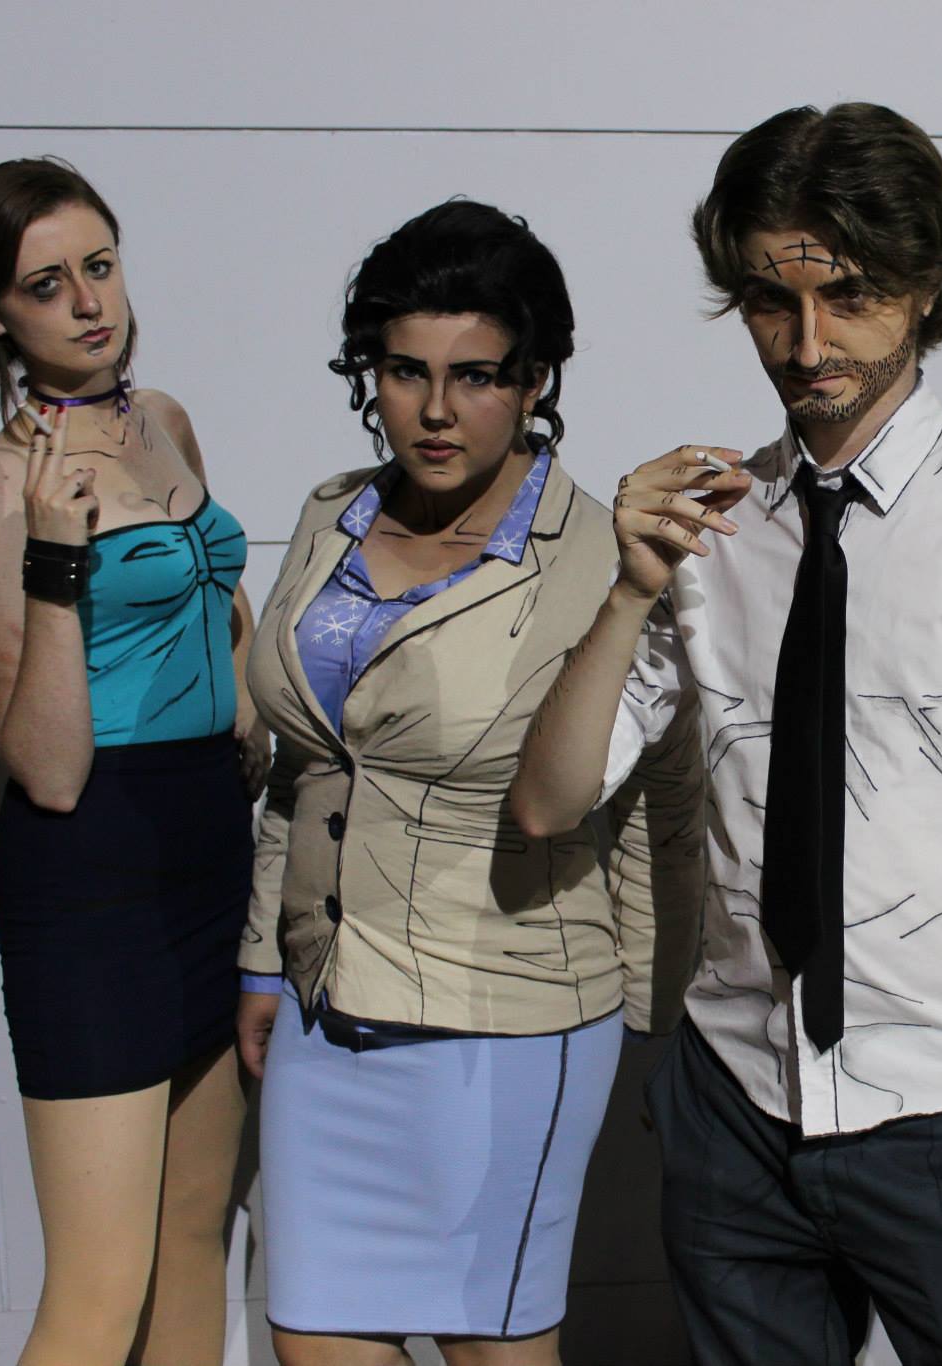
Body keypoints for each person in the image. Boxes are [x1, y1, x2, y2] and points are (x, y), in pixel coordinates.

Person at [510, 103, 942, 1366]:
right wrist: (625, 592)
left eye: (848, 294)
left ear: (927, 285)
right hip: (736, 1104)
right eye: (769, 301)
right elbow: (549, 805)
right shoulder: (710, 527)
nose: (807, 342)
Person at [235, 201, 704, 1366]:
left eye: (476, 375)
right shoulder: (329, 515)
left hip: (500, 1019)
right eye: (405, 370)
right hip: (323, 1003)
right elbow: (305, 765)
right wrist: (263, 955)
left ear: (535, 380)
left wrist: (666, 1012)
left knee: (487, 1348)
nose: (435, 410)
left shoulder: (600, 562)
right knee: (312, 1343)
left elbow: (661, 795)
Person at [0, 158, 262, 1366]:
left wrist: (250, 725)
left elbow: (213, 602)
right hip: (95, 868)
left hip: (207, 841)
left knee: (191, 1241)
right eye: (46, 284)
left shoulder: (163, 418)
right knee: (97, 1291)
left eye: (100, 266)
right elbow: (49, 767)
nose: (88, 302)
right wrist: (55, 562)